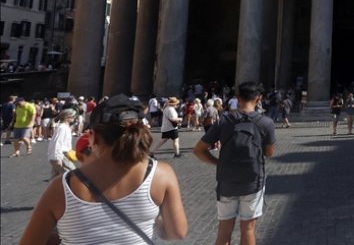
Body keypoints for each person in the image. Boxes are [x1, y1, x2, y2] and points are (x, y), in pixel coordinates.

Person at [19, 94, 188, 244]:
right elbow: (177, 232)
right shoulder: (162, 174)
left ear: (93, 137)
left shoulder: (62, 186)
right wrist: (149, 217)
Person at [193, 82, 276, 245]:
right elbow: (269, 153)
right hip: (253, 181)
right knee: (248, 228)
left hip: (226, 180)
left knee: (224, 229)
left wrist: (218, 162)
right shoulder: (266, 123)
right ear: (259, 98)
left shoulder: (224, 121)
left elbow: (198, 150)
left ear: (237, 98)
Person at [47, 108, 77, 177]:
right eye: (72, 116)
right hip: (62, 155)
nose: (74, 118)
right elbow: (57, 143)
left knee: (56, 177)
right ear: (66, 117)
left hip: (63, 154)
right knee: (71, 175)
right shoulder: (62, 128)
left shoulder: (65, 127)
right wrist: (57, 158)